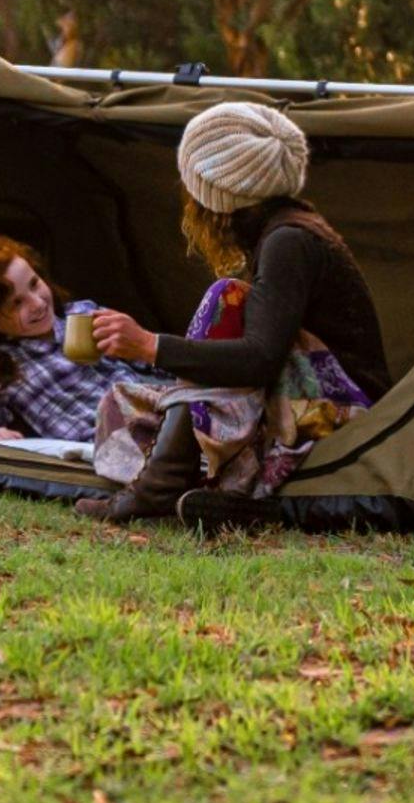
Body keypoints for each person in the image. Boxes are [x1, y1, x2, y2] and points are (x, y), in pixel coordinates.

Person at [75, 101, 391, 524]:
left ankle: (159, 487)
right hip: (297, 406)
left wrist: (150, 346)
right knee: (121, 407)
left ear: (216, 191)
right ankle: (203, 490)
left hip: (340, 414)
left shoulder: (289, 241)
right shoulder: (282, 231)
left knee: (227, 298)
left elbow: (258, 360)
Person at [0, 234, 136, 443]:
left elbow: (147, 357)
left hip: (151, 410)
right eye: (16, 303)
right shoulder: (0, 368)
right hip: (106, 441)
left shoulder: (84, 314)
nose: (37, 303)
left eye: (34, 284)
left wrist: (132, 340)